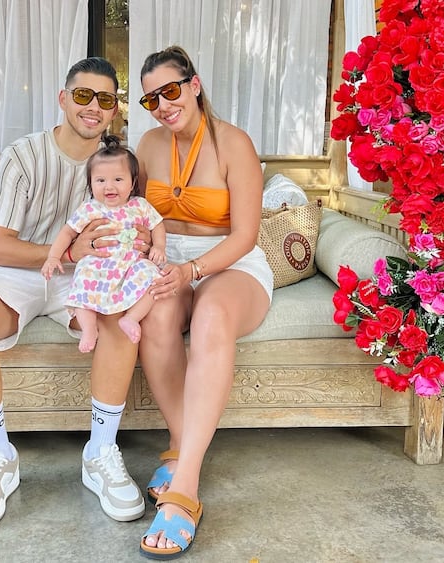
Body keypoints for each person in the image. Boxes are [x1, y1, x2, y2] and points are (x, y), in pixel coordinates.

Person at [0, 57, 151, 529]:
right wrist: (69, 252)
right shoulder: (24, 154)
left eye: (105, 99)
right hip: (19, 268)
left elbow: (144, 221)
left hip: (89, 275)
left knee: (122, 315)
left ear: (115, 109)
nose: (93, 107)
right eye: (83, 95)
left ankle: (100, 452)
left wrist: (142, 244)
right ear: (63, 99)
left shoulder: (121, 164)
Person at [134, 46, 274, 559]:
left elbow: (245, 235)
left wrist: (193, 269)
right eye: (152, 99)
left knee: (212, 314)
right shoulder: (149, 144)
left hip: (230, 262)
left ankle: (185, 483)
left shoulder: (234, 142)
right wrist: (148, 256)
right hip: (171, 259)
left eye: (171, 90)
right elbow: (140, 217)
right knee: (158, 314)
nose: (163, 105)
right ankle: (179, 442)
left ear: (194, 85)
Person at [42, 134, 167, 352]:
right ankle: (89, 329)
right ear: (91, 183)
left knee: (153, 276)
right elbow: (66, 233)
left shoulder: (140, 205)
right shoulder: (90, 209)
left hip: (131, 265)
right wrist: (53, 257)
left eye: (118, 179)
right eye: (100, 180)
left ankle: (131, 318)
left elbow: (157, 224)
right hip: (99, 264)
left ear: (132, 182)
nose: (109, 187)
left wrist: (159, 246)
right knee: (82, 279)